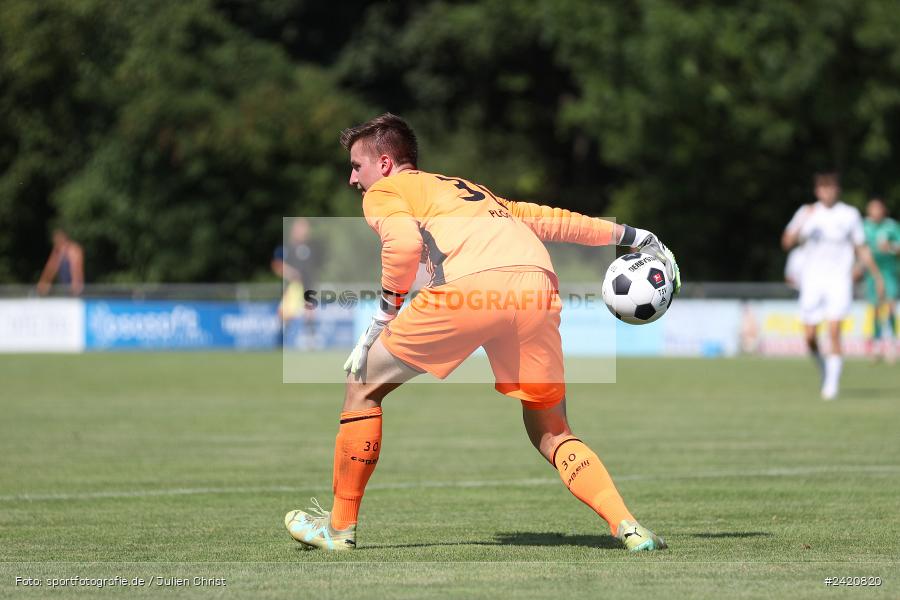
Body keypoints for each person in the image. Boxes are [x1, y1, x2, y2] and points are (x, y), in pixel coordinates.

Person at [284, 113, 680, 552]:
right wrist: (633, 235)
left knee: (361, 387)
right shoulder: (466, 190)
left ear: (384, 163)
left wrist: (381, 320)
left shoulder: (387, 191)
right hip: (536, 285)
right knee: (552, 430)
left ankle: (338, 530)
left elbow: (402, 245)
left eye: (357, 166)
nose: (352, 178)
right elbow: (550, 220)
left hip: (469, 289)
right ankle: (627, 526)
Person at [781, 173, 884, 400]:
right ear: (817, 191)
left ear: (837, 190)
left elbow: (861, 247)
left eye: (832, 188)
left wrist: (876, 276)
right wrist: (800, 222)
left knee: (835, 330)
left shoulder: (849, 214)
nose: (828, 192)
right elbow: (786, 243)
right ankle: (825, 370)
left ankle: (832, 385)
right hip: (812, 282)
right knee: (809, 336)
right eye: (823, 188)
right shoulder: (807, 213)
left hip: (838, 281)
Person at [862, 198, 900, 363]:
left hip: (890, 271)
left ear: (884, 210)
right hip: (872, 272)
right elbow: (859, 248)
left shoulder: (891, 226)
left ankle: (892, 343)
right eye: (872, 209)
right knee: (876, 307)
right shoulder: (864, 226)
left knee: (891, 306)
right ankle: (876, 345)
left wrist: (890, 247)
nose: (876, 212)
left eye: (878, 209)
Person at [272, 218, 320, 347]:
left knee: (310, 313)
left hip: (307, 288)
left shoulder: (311, 248)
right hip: (292, 288)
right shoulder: (286, 247)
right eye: (301, 228)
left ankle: (310, 342)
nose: (305, 231)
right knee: (284, 316)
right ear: (294, 230)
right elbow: (277, 265)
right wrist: (290, 273)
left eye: (306, 228)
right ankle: (279, 343)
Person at [37, 228, 84, 297]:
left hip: (74, 287)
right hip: (65, 287)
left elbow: (76, 269)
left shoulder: (73, 250)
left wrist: (76, 285)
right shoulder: (58, 251)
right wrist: (43, 284)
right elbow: (50, 268)